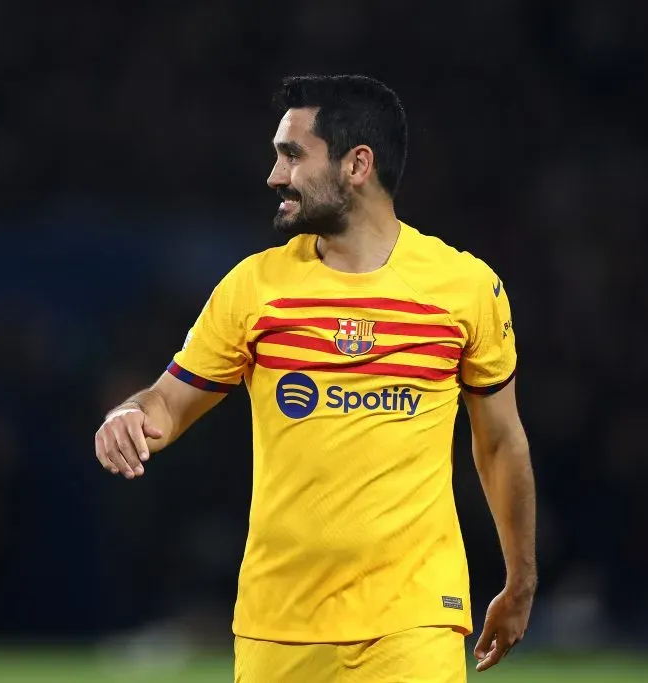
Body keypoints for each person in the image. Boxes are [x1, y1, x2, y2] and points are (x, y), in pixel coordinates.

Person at [94, 74, 536, 682]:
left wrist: (521, 579)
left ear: (357, 164)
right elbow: (167, 403)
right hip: (280, 624)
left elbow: (500, 441)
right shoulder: (255, 286)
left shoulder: (464, 288)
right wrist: (129, 414)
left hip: (414, 620)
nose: (275, 176)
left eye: (293, 155)